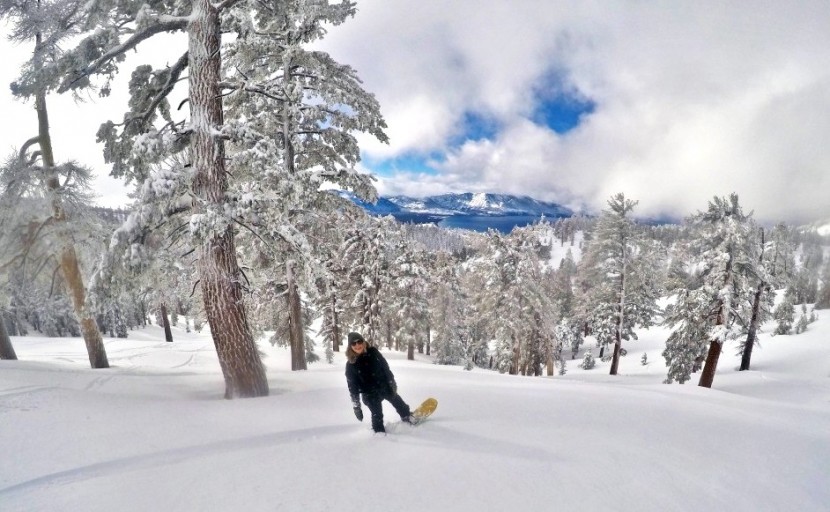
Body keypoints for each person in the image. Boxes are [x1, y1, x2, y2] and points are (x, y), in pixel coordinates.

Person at [345, 331, 412, 433]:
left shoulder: (373, 351)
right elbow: (352, 387)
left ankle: (408, 417)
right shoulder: (350, 365)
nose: (357, 345)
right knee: (377, 415)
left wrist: (391, 381)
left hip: (384, 386)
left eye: (359, 341)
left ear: (363, 342)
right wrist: (356, 407)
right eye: (353, 343)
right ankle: (379, 435)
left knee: (399, 403)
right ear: (350, 347)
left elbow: (385, 367)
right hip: (369, 394)